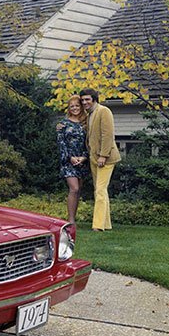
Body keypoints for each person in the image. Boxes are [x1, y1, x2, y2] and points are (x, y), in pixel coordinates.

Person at [79, 88, 121, 231]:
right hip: (94, 157)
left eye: (87, 99)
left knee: (100, 190)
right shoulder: (90, 114)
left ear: (94, 99)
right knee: (100, 190)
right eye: (83, 100)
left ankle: (97, 225)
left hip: (106, 158)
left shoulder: (104, 111)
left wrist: (103, 155)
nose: (84, 102)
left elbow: (107, 135)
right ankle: (106, 224)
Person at [56, 95, 89, 225]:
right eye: (72, 106)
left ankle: (73, 218)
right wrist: (70, 157)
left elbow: (89, 142)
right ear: (69, 108)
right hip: (68, 161)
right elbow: (61, 143)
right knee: (74, 188)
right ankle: (70, 220)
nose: (75, 108)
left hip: (82, 160)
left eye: (77, 105)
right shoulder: (63, 124)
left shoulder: (86, 123)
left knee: (78, 190)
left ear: (81, 107)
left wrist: (84, 157)